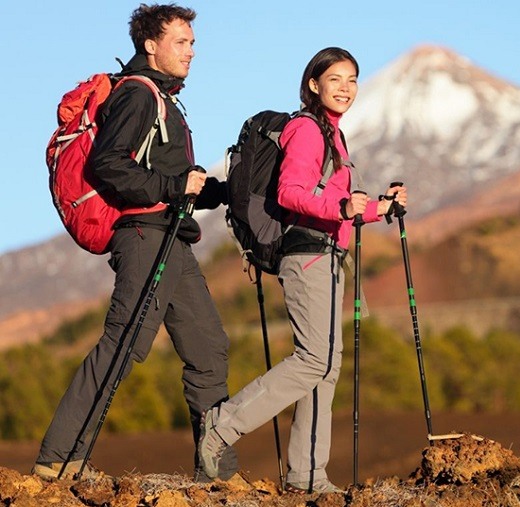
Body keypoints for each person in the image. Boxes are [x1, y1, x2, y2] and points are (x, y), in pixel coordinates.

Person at [33, 3, 239, 482]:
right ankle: (57, 461)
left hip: (173, 237)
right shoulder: (138, 95)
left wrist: (229, 190)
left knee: (208, 349)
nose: (192, 51)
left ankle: (218, 474)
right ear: (151, 45)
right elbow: (110, 165)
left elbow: (177, 182)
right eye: (181, 42)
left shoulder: (165, 100)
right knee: (124, 341)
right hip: (145, 238)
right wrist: (174, 188)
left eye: (193, 42)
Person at [197, 47, 408, 493]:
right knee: (314, 359)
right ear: (314, 85)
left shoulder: (334, 137)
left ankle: (307, 475)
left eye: (352, 79)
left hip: (329, 255)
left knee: (325, 367)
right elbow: (292, 192)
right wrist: (340, 204)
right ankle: (221, 426)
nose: (346, 88)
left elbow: (338, 209)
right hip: (307, 257)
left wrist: (380, 209)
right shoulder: (308, 130)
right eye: (335, 79)